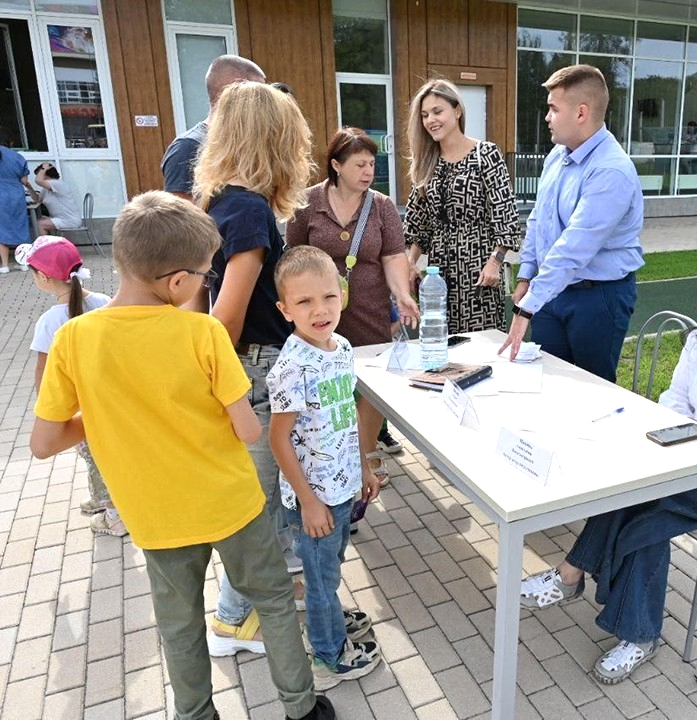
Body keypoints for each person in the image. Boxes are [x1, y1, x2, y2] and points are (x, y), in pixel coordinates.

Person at [30, 191, 335, 720]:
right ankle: (300, 707)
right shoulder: (203, 332)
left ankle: (195, 714)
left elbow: (43, 443)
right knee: (274, 601)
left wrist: (105, 415)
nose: (205, 284)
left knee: (179, 624)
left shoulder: (73, 339)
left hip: (155, 517)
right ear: (177, 282)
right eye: (204, 276)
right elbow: (246, 431)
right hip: (230, 504)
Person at [518, 256, 697, 685]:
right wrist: (682, 424)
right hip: (686, 459)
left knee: (644, 511)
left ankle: (581, 582)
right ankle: (632, 627)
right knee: (629, 490)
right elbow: (673, 400)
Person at [193, 80, 313, 655]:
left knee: (259, 497)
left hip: (250, 368)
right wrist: (220, 386)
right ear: (273, 139)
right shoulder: (248, 209)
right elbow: (227, 315)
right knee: (260, 502)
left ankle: (253, 597)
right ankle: (233, 620)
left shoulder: (221, 201)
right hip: (256, 367)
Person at [268, 246, 383, 689]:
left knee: (331, 565)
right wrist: (310, 502)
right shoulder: (291, 367)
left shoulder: (343, 348)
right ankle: (329, 656)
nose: (320, 310)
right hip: (313, 497)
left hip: (343, 487)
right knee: (319, 580)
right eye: (304, 302)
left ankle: (329, 621)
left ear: (343, 295)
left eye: (328, 297)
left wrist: (365, 469)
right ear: (284, 309)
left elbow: (346, 416)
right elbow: (279, 439)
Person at [286, 127, 419, 485]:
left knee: (373, 387)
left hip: (370, 310)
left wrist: (402, 294)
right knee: (329, 388)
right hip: (319, 316)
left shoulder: (382, 206)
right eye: (359, 164)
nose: (367, 172)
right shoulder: (307, 204)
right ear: (336, 165)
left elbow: (393, 257)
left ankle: (363, 457)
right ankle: (333, 458)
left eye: (372, 164)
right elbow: (293, 258)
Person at [499, 65, 644, 383]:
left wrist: (527, 308)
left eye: (553, 108)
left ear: (581, 112)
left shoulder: (611, 170)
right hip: (552, 290)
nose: (547, 117)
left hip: (597, 298)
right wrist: (526, 275)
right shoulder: (557, 156)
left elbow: (575, 246)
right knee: (549, 383)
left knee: (592, 393)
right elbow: (539, 219)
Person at [18, 236, 125, 535]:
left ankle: (114, 513)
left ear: (43, 277)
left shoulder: (50, 321)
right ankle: (104, 498)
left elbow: (44, 373)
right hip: (112, 398)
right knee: (107, 451)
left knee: (95, 454)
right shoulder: (104, 301)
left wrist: (50, 414)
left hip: (79, 405)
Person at [404, 78, 522, 333]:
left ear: (457, 111)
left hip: (478, 266)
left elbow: (506, 215)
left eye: (437, 111)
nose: (430, 120)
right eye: (424, 115)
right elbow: (418, 222)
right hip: (439, 274)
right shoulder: (426, 162)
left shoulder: (485, 155)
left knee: (481, 348)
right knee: (443, 347)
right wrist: (410, 263)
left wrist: (496, 261)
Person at [161, 54, 266, 200]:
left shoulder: (241, 143)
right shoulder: (187, 147)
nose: (267, 103)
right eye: (259, 95)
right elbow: (179, 219)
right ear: (233, 93)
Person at [0, 142, 39, 273]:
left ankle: (4, 265)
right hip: (16, 194)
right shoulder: (17, 156)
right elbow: (24, 181)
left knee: (2, 229)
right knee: (20, 226)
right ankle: (23, 263)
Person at [34, 163, 81, 234]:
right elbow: (37, 199)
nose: (38, 176)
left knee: (40, 224)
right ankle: (50, 243)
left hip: (69, 220)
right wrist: (29, 187)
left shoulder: (57, 184)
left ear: (46, 173)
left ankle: (46, 245)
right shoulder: (46, 188)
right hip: (60, 218)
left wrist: (44, 168)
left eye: (39, 174)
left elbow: (38, 181)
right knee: (41, 219)